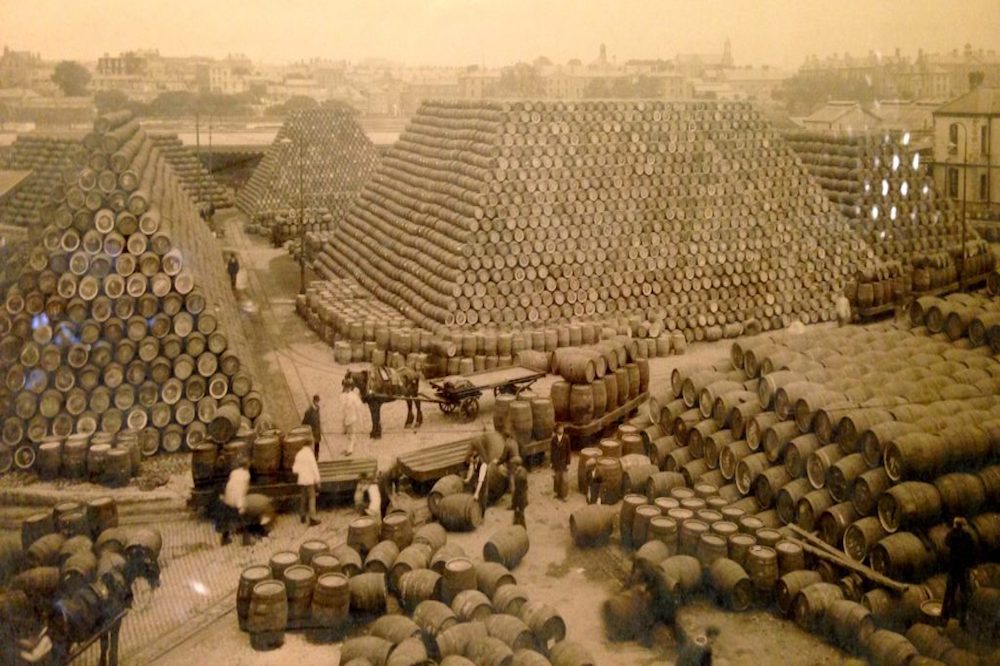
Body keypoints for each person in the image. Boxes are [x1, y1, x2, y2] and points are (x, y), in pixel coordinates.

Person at [942, 516, 976, 627]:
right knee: (964, 594)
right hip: (963, 569)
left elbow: (946, 542)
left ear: (956, 525)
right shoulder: (967, 536)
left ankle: (944, 617)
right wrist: (970, 567)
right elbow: (972, 552)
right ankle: (963, 619)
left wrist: (953, 529)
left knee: (949, 593)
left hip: (953, 569)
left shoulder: (952, 535)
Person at [219, 463, 250, 546]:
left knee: (227, 518)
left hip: (228, 496)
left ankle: (224, 539)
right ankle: (246, 541)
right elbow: (242, 489)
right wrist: (241, 505)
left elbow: (231, 485)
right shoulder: (247, 475)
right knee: (243, 519)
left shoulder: (234, 472)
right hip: (237, 499)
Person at [293, 443, 321, 527]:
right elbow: (314, 468)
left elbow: (295, 469)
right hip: (309, 481)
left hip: (302, 481)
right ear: (309, 445)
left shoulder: (298, 454)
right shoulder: (310, 455)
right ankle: (312, 518)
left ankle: (302, 516)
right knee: (312, 499)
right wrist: (318, 480)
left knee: (303, 498)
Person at [494, 435, 521, 502]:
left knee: (512, 482)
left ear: (505, 437)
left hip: (512, 464)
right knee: (516, 480)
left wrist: (497, 463)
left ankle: (514, 502)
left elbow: (503, 457)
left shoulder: (507, 445)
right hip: (518, 461)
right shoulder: (514, 442)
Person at [341, 380, 364, 456]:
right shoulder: (349, 395)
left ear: (349, 388)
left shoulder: (352, 396)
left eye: (346, 387)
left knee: (351, 435)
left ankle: (350, 450)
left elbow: (357, 406)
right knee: (350, 435)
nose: (345, 389)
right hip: (349, 417)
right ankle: (351, 446)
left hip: (352, 417)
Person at [550, 423, 570, 501]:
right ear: (557, 430)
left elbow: (569, 452)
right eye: (560, 428)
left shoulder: (566, 438)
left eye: (562, 428)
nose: (561, 430)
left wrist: (568, 463)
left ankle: (564, 495)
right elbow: (552, 451)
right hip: (556, 462)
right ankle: (558, 494)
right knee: (557, 478)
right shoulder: (554, 439)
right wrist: (551, 462)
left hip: (564, 462)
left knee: (564, 479)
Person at [465, 450, 490, 514]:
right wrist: (468, 479)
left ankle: (482, 516)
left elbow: (480, 481)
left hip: (483, 483)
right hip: (477, 482)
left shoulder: (483, 465)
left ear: (477, 458)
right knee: (475, 500)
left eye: (473, 460)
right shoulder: (474, 462)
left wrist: (476, 493)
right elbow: (471, 470)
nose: (472, 461)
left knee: (483, 499)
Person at [302, 394, 322, 458]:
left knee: (317, 443)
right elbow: (305, 421)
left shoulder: (318, 408)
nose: (317, 403)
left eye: (318, 401)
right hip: (311, 429)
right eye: (316, 401)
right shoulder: (309, 410)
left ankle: (316, 456)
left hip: (317, 429)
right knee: (310, 444)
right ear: (313, 401)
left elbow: (318, 419)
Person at [511, 456, 528, 528]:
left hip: (519, 500)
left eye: (513, 464)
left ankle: (521, 532)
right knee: (520, 516)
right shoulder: (523, 470)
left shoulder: (518, 476)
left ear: (516, 464)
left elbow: (517, 491)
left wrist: (515, 504)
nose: (512, 466)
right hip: (524, 497)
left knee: (519, 517)